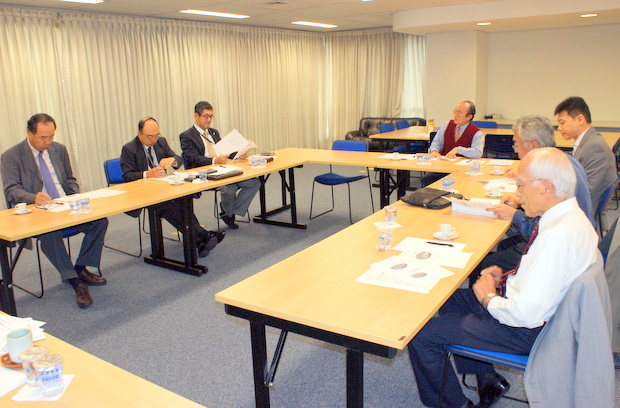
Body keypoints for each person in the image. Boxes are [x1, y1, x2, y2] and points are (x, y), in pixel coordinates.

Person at [408, 147, 599, 408]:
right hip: (544, 313)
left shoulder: (557, 237)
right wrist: (506, 278)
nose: (518, 194)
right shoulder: (570, 219)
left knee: (421, 335)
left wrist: (489, 299)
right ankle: (486, 378)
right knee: (447, 299)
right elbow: (543, 278)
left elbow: (525, 315)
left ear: (546, 187)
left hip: (532, 330)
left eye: (521, 185)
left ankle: (457, 405)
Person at [1, 114, 108, 308]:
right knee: (50, 234)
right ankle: (76, 282)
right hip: (39, 211)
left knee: (100, 221)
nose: (48, 141)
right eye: (43, 137)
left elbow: (69, 179)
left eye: (51, 136)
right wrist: (32, 197)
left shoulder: (59, 149)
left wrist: (74, 196)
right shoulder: (11, 156)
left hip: (65, 205)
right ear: (29, 133)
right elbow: (11, 190)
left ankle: (80, 268)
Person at [475, 115, 593, 276]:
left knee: (486, 262)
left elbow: (542, 226)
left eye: (516, 144)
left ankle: (490, 289)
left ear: (533, 145)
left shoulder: (550, 173)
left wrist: (515, 215)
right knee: (504, 246)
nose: (515, 149)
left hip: (559, 248)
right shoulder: (561, 161)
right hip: (574, 238)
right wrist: (521, 203)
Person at [120, 117, 224, 257]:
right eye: (149, 136)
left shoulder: (161, 142)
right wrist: (147, 174)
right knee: (168, 205)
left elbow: (178, 159)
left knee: (183, 200)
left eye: (156, 135)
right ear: (139, 134)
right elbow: (127, 176)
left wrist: (172, 160)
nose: (153, 140)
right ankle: (202, 236)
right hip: (143, 192)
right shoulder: (129, 149)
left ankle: (199, 239)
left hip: (163, 187)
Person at [180, 101, 260, 229]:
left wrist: (238, 154)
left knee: (254, 183)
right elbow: (193, 159)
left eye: (211, 116)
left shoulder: (213, 132)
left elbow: (224, 150)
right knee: (229, 189)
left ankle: (228, 211)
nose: (209, 120)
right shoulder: (187, 136)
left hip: (223, 169)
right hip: (205, 174)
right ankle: (228, 213)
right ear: (196, 116)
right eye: (206, 116)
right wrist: (214, 161)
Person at [554, 96, 616, 215]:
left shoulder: (594, 147)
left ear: (580, 119)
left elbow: (587, 193)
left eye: (562, 122)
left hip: (584, 213)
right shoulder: (586, 142)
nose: (559, 128)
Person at [422, 101, 483, 186]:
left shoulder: (476, 132)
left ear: (469, 117)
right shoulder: (447, 124)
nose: (455, 115)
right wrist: (434, 150)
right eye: (455, 111)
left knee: (461, 183)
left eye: (459, 113)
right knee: (427, 178)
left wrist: (458, 149)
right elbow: (437, 141)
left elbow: (478, 153)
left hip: (464, 169)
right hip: (444, 166)